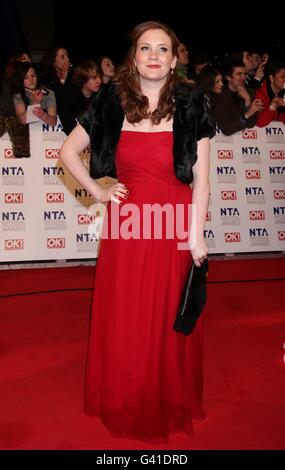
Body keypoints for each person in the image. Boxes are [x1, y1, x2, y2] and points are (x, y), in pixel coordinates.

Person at [60, 20, 215, 442]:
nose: (153, 55)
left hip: (174, 223)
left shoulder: (191, 103)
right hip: (128, 226)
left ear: (174, 58)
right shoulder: (111, 100)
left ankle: (164, 397)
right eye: (145, 48)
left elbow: (201, 179)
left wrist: (197, 235)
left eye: (162, 49)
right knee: (127, 314)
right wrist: (97, 191)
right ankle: (125, 395)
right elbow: (68, 151)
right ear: (134, 56)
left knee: (167, 315)